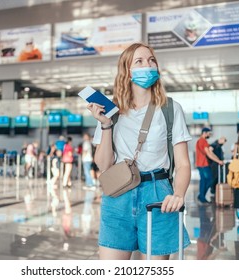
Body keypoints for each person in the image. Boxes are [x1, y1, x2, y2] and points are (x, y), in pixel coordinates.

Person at [87, 42, 192, 260]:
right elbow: (103, 165)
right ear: (127, 70)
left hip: (157, 195)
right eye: (140, 61)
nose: (148, 65)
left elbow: (182, 164)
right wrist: (106, 124)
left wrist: (178, 194)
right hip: (118, 195)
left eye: (151, 60)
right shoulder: (111, 111)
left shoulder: (171, 109)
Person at [195, 128, 224, 204]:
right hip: (203, 164)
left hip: (200, 164)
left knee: (204, 180)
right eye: (209, 133)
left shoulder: (199, 141)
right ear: (204, 133)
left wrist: (217, 159)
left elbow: (209, 153)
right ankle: (202, 196)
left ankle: (201, 196)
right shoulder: (203, 141)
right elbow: (209, 153)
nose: (209, 135)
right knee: (210, 179)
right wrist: (218, 161)